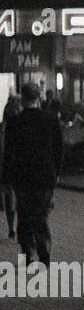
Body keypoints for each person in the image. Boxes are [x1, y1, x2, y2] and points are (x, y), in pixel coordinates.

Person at [1, 82, 63, 264]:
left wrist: (6, 178)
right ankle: (44, 249)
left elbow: (9, 152)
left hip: (22, 176)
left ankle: (27, 252)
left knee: (25, 213)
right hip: (45, 175)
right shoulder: (51, 120)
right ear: (38, 97)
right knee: (41, 213)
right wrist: (56, 172)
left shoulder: (15, 122)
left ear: (23, 98)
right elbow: (59, 149)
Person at [0, 93, 21, 239]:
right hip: (13, 165)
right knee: (12, 198)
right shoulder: (19, 125)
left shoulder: (4, 126)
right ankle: (13, 228)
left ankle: (12, 228)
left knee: (9, 198)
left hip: (6, 165)